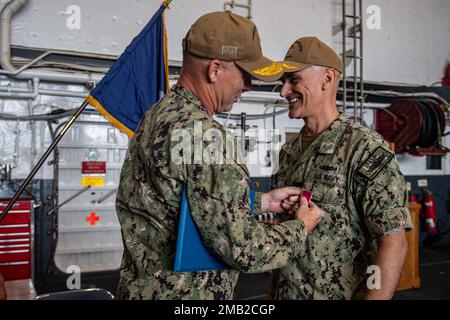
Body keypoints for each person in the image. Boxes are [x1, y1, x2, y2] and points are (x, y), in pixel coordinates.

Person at [115, 12, 323, 300]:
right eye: (245, 75)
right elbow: (244, 250)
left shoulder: (158, 116)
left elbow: (181, 200)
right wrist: (300, 227)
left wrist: (261, 201)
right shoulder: (206, 135)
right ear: (215, 69)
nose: (248, 86)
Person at [271, 36, 413, 300]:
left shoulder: (363, 148)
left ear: (327, 79)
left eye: (294, 79)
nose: (283, 91)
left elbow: (393, 241)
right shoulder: (289, 152)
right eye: (283, 82)